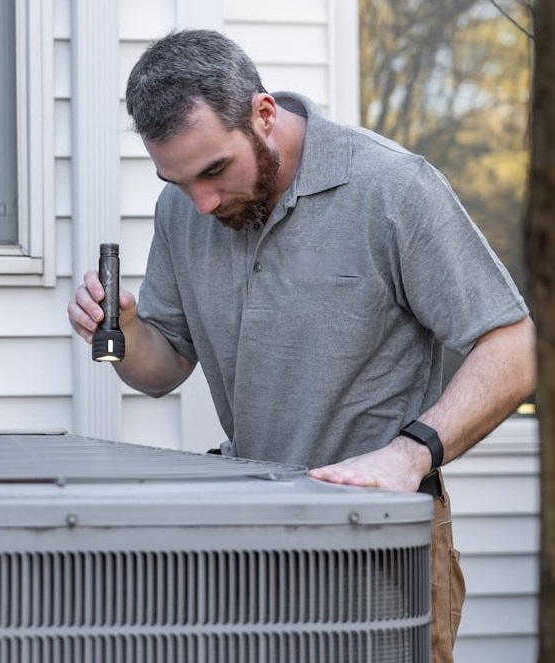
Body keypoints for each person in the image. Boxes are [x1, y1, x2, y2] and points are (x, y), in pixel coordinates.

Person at [67, 29, 536, 663]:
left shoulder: (392, 187)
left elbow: (515, 346)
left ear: (263, 114)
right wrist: (124, 334)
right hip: (253, 541)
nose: (201, 204)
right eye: (177, 181)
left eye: (213, 172)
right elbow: (165, 364)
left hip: (378, 541)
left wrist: (408, 456)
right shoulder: (181, 211)